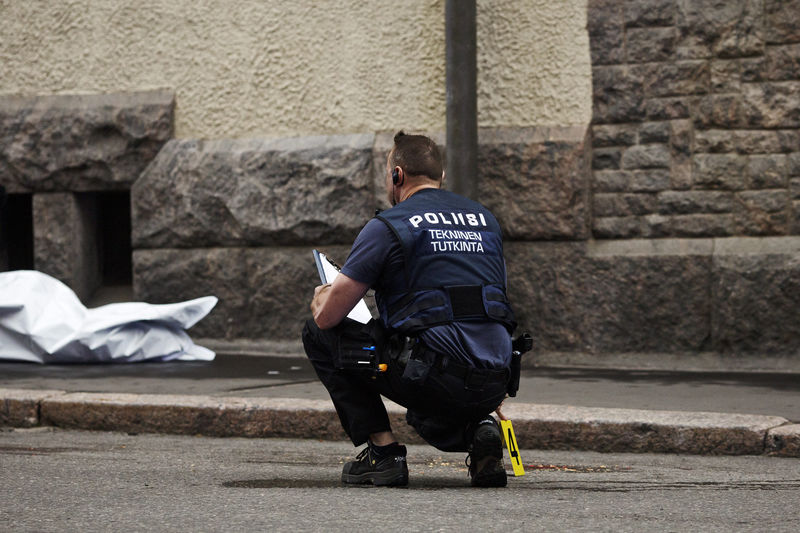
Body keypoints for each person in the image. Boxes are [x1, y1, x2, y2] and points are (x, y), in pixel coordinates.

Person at [302, 131, 517, 488]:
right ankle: (479, 428)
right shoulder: (486, 221)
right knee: (428, 398)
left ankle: (383, 454)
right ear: (441, 178)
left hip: (434, 374)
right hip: (496, 377)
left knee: (318, 333)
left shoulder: (390, 225)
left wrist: (323, 293)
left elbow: (329, 317)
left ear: (397, 175)